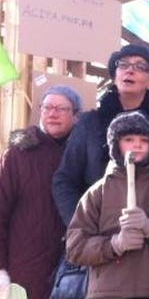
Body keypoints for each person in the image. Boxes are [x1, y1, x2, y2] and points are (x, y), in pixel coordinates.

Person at [53, 44, 149, 227]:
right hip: (94, 237)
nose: (130, 71)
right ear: (114, 76)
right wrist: (79, 225)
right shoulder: (90, 123)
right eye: (123, 65)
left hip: (146, 234)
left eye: (140, 67)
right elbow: (64, 180)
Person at [66, 110, 149, 298]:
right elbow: (75, 248)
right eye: (129, 139)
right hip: (107, 292)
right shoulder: (97, 193)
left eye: (143, 140)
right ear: (115, 145)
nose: (136, 145)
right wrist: (114, 244)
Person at [0, 85, 82, 299]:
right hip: (25, 266)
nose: (52, 113)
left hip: (72, 268)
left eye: (61, 108)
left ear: (76, 115)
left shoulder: (83, 153)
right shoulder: (19, 154)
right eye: (47, 107)